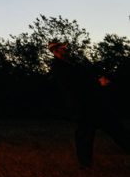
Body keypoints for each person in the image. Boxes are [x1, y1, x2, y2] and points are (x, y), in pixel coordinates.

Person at [48, 40, 130, 168]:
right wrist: (98, 84)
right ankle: (85, 165)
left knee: (117, 130)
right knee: (85, 136)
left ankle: (85, 165)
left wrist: (98, 80)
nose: (66, 48)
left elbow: (85, 78)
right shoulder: (59, 67)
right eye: (62, 47)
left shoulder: (72, 63)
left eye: (65, 47)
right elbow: (75, 86)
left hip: (93, 105)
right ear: (55, 50)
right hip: (83, 108)